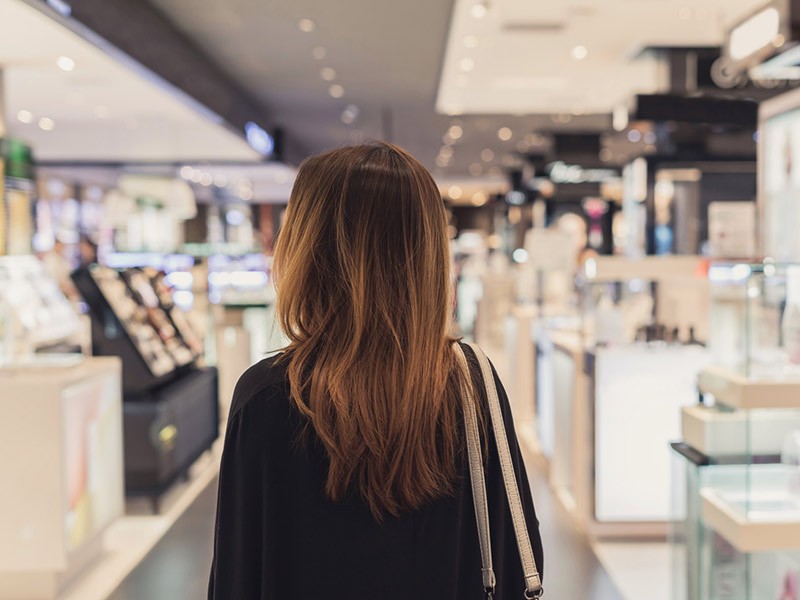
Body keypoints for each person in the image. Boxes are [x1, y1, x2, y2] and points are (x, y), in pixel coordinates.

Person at [208, 141, 544, 600]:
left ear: (306, 250)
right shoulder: (470, 383)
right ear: (428, 255)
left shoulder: (267, 396)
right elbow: (515, 556)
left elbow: (237, 575)